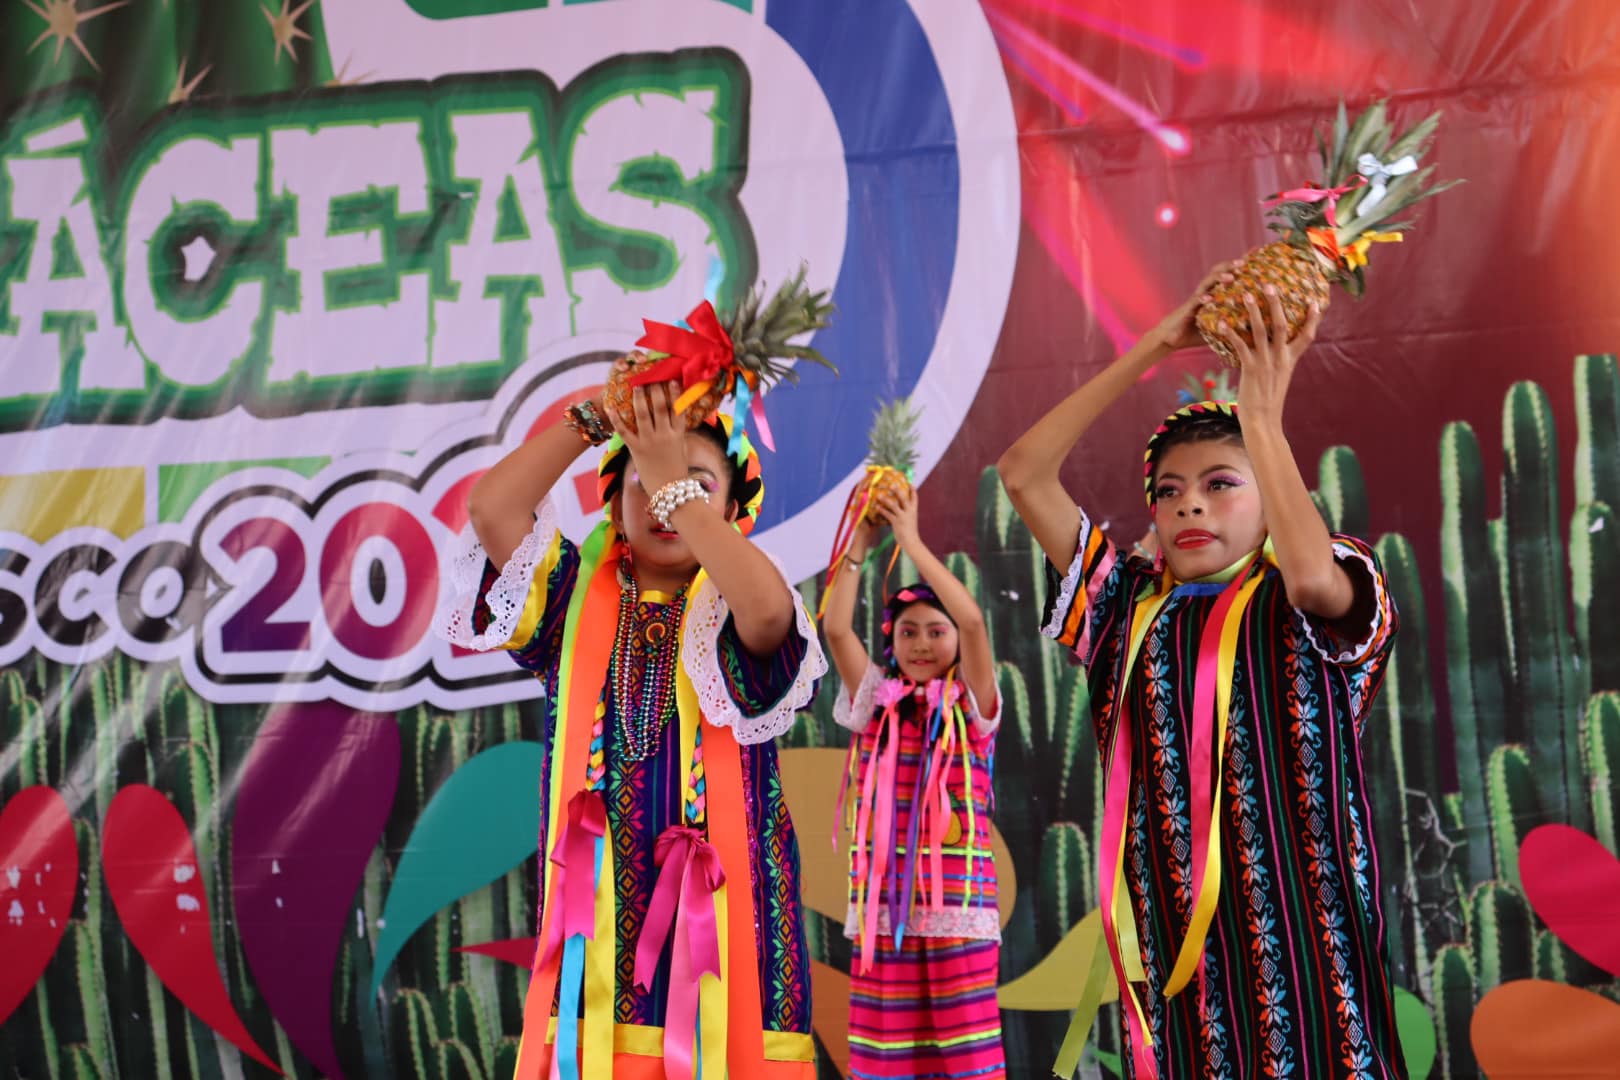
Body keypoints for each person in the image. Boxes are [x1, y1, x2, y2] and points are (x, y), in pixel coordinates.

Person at [996, 270, 1404, 1079]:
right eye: (1168, 493)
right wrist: (1152, 345)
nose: (1190, 507)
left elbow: (1314, 580)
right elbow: (1022, 473)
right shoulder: (1125, 610)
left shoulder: (1318, 590)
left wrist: (1260, 419)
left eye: (1222, 486)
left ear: (1269, 498)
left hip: (1310, 951)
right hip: (1187, 967)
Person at [434, 383, 825, 1079]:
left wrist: (673, 483)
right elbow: (492, 508)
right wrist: (597, 416)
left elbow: (769, 617)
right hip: (597, 949)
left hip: (731, 945)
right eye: (641, 483)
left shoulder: (736, 611)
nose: (665, 500)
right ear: (614, 507)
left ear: (734, 511)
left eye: (698, 486)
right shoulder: (570, 601)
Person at [821, 484, 1007, 1080]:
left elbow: (975, 621)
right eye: (907, 632)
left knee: (969, 1058)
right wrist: (860, 547)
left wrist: (910, 541)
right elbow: (835, 631)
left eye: (935, 629)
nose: (922, 642)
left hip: (958, 908)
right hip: (883, 920)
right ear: (891, 643)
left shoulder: (973, 707)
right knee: (886, 1059)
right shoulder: (878, 702)